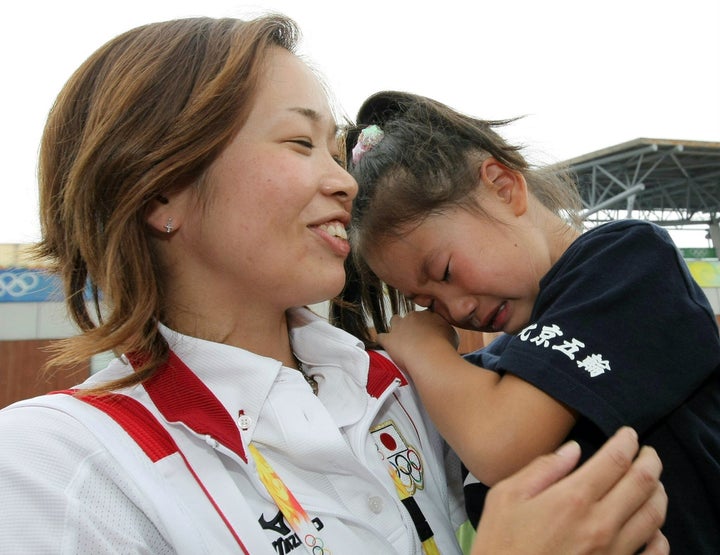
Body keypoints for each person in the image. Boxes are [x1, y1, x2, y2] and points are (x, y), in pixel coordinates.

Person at [0, 16, 668, 555]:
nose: (346, 183)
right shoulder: (60, 463)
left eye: (333, 149)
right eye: (297, 142)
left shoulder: (414, 396)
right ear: (160, 191)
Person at [335, 90, 720, 554]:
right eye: (425, 302)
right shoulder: (496, 366)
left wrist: (423, 347)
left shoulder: (628, 264)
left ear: (502, 186)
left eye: (444, 273)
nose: (453, 311)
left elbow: (501, 442)